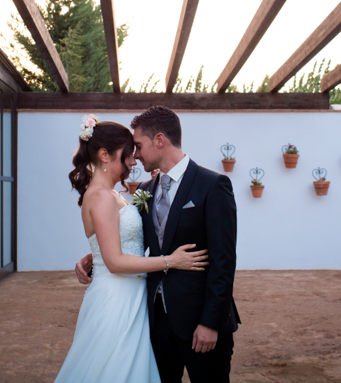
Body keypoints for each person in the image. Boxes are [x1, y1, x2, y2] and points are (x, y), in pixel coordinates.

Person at [76, 106, 240, 383]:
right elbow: (127, 237)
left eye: (138, 146)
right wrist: (93, 256)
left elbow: (224, 261)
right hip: (153, 322)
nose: (135, 155)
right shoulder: (145, 191)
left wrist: (210, 323)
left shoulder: (213, 185)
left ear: (160, 140)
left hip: (200, 323)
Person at [55, 117, 209, 383]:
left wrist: (95, 255)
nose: (134, 160)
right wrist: (170, 261)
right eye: (128, 154)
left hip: (132, 297)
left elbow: (116, 243)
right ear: (105, 154)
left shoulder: (114, 194)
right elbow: (114, 261)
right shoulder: (102, 196)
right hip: (115, 300)